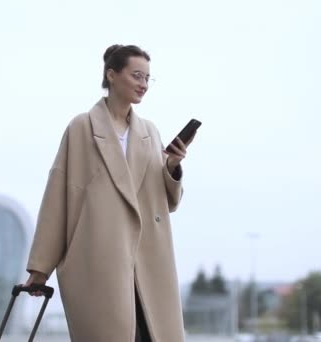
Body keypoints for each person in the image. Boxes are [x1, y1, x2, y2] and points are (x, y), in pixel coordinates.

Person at [23, 44, 195, 342]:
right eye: (137, 75)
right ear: (112, 75)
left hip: (149, 257)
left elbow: (165, 201)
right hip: (99, 258)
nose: (143, 84)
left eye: (148, 78)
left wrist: (172, 167)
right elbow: (59, 196)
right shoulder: (81, 128)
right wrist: (40, 269)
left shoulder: (149, 132)